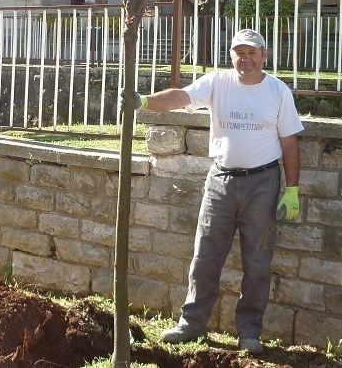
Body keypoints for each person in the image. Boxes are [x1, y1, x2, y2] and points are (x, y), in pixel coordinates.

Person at [128, 29, 303, 355]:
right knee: (205, 256)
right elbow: (181, 97)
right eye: (239, 52)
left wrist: (291, 189)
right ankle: (192, 324)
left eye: (251, 52)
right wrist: (143, 101)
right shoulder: (217, 83)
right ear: (231, 55)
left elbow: (289, 142)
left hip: (262, 183)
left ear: (264, 56)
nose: (245, 58)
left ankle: (249, 332)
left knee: (257, 261)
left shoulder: (277, 91)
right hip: (220, 180)